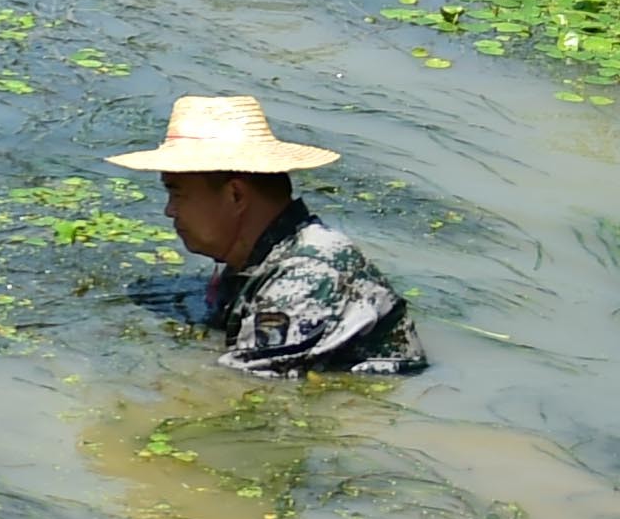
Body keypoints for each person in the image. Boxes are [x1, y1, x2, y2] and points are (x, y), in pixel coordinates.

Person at [105, 96, 425, 376]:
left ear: (236, 196)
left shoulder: (306, 277)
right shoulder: (259, 260)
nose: (169, 211)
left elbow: (243, 391)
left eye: (177, 193)